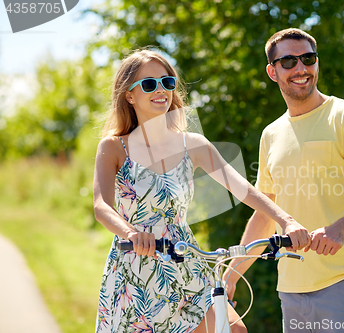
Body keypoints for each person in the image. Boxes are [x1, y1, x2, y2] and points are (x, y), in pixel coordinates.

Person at [92, 49, 311, 333]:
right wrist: (131, 233)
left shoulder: (193, 145)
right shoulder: (113, 147)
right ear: (129, 95)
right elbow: (101, 206)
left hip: (187, 264)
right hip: (136, 267)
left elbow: (242, 188)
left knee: (233, 329)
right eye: (149, 84)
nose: (161, 90)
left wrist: (287, 220)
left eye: (167, 82)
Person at [223, 28, 344, 332]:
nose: (301, 68)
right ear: (272, 71)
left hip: (342, 283)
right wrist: (232, 274)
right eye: (288, 62)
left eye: (308, 58)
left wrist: (340, 228)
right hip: (290, 290)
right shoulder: (271, 134)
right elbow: (266, 212)